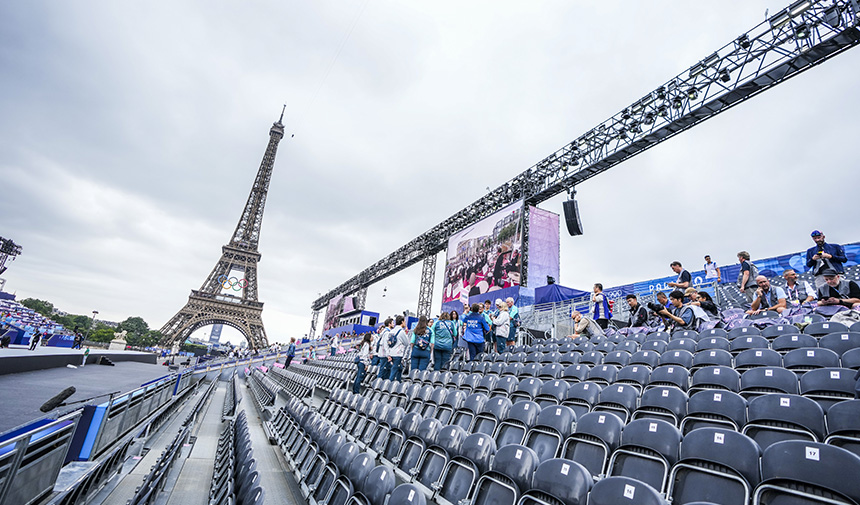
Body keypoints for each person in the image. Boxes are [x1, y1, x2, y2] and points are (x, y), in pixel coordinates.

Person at [387, 316, 409, 382]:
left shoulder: (391, 331)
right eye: (404, 321)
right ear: (402, 322)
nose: (405, 323)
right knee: (394, 372)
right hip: (398, 354)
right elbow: (406, 343)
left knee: (400, 369)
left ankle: (399, 383)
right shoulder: (401, 332)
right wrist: (405, 334)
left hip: (391, 353)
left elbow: (388, 343)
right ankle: (388, 386)